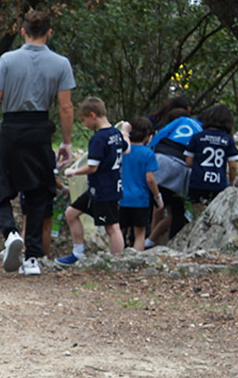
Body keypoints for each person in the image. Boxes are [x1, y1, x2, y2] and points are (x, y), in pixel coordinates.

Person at [0, 10, 77, 276]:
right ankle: (32, 258)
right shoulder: (61, 63)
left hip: (12, 128)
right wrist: (66, 142)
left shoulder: (7, 60)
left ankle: (9, 234)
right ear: (49, 32)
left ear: (23, 31)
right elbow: (65, 107)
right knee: (38, 191)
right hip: (40, 129)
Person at [57, 97, 127, 262]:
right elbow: (127, 148)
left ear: (92, 115)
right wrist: (125, 132)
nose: (84, 124)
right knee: (71, 213)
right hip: (98, 188)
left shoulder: (98, 138)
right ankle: (78, 253)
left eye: (84, 120)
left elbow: (92, 167)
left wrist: (73, 171)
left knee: (112, 227)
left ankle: (117, 261)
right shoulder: (116, 134)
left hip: (105, 190)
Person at [146, 95, 202, 246]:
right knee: (175, 210)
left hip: (161, 160)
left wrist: (148, 153)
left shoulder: (180, 121)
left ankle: (152, 242)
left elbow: (160, 136)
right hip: (182, 167)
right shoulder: (200, 128)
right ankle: (163, 243)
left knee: (158, 205)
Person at [117, 116, 163, 251]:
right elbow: (150, 178)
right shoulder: (148, 153)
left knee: (120, 231)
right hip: (140, 200)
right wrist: (157, 197)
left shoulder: (122, 151)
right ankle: (136, 261)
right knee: (140, 233)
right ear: (148, 134)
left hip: (121, 197)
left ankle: (116, 258)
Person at [184, 103, 238, 208]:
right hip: (217, 184)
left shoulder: (197, 137)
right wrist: (231, 184)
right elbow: (233, 166)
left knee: (196, 214)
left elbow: (188, 162)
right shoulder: (228, 140)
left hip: (197, 182)